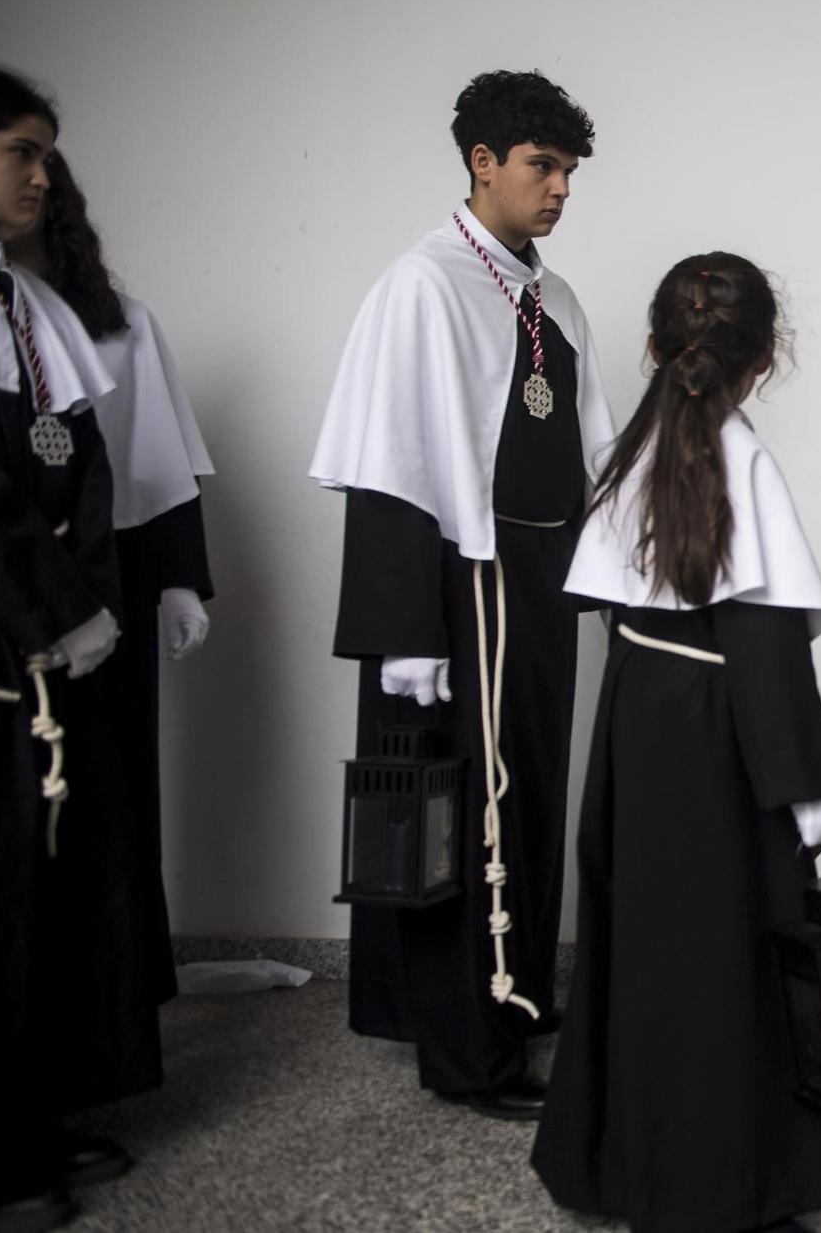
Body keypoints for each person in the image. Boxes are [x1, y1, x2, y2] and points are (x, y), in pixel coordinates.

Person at [534, 252, 821, 1233]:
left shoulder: (632, 449)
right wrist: (809, 787)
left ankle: (622, 1167)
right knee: (729, 952)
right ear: (764, 356)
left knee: (643, 945)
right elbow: (760, 642)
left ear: (653, 346)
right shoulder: (742, 456)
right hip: (722, 734)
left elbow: (623, 605)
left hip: (638, 715)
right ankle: (723, 1188)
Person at [309, 69, 614, 1119]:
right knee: (459, 808)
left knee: (526, 792)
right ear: (482, 163)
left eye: (568, 170)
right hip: (455, 581)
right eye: (542, 165)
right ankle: (464, 1048)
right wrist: (404, 629)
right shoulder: (423, 284)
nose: (559, 188)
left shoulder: (551, 297)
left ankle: (513, 993)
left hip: (536, 580)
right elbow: (389, 459)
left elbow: (591, 450)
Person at [0, 62, 158, 1233]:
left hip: (44, 632)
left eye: (45, 153)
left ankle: (21, 1117)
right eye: (18, 152)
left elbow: (80, 463)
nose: (44, 175)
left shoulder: (24, 302)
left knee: (37, 890)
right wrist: (48, 604)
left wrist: (88, 594)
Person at [9, 149, 215, 1009]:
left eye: (40, 167)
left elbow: (159, 458)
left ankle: (127, 991)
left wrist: (179, 579)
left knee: (120, 786)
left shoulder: (118, 320)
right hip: (10, 576)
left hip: (115, 569)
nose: (31, 186)